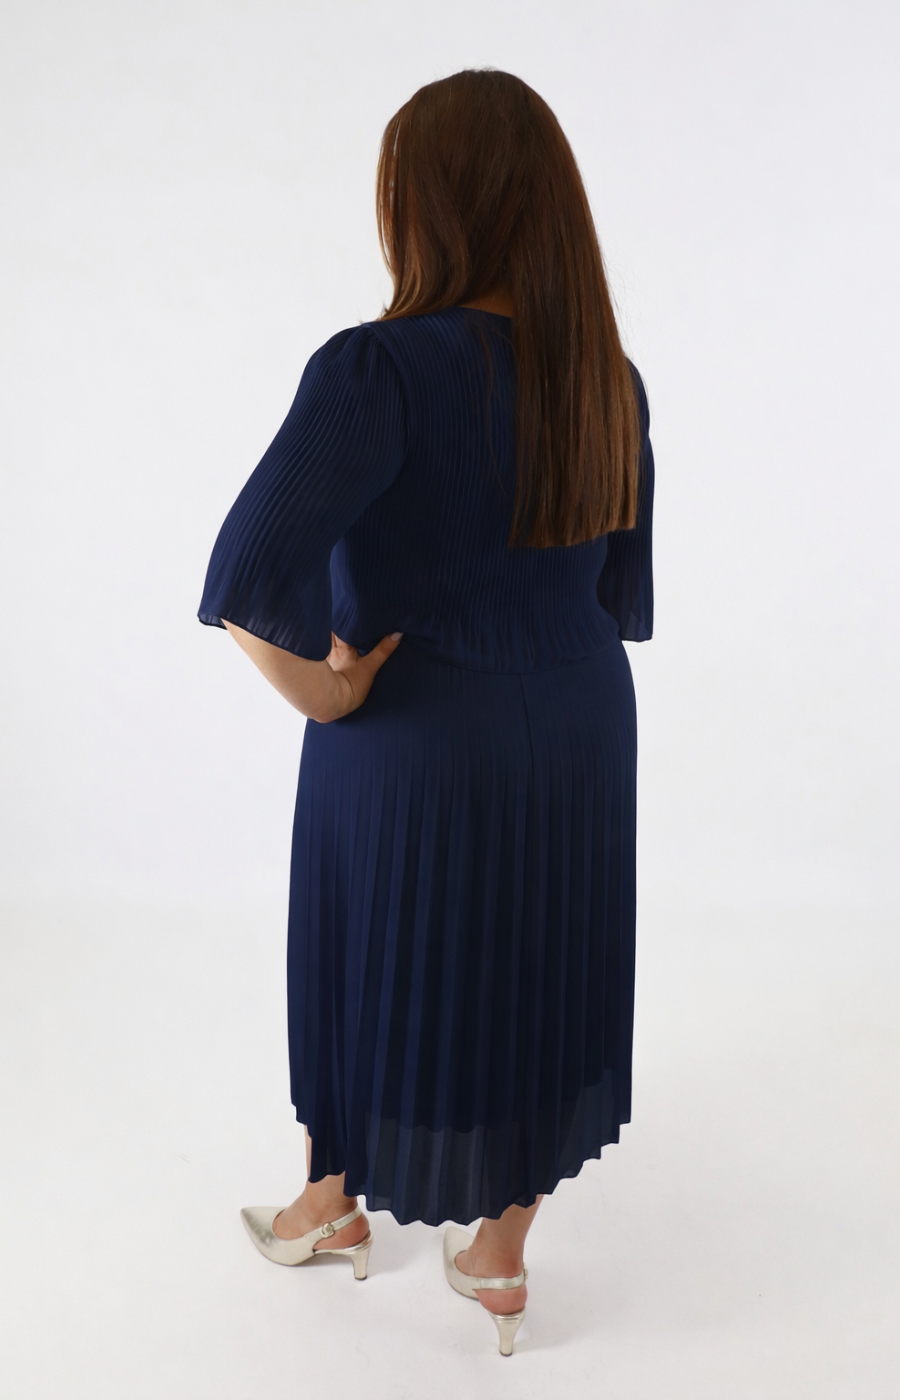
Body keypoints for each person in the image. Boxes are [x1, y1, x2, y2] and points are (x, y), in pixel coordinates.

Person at [198, 67, 654, 1357]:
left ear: (428, 208)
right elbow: (619, 592)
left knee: (364, 953)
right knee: (540, 955)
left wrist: (329, 687)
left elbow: (245, 575)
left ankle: (334, 1202)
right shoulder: (608, 380)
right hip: (577, 724)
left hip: (413, 733)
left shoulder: (379, 368)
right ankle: (500, 1259)